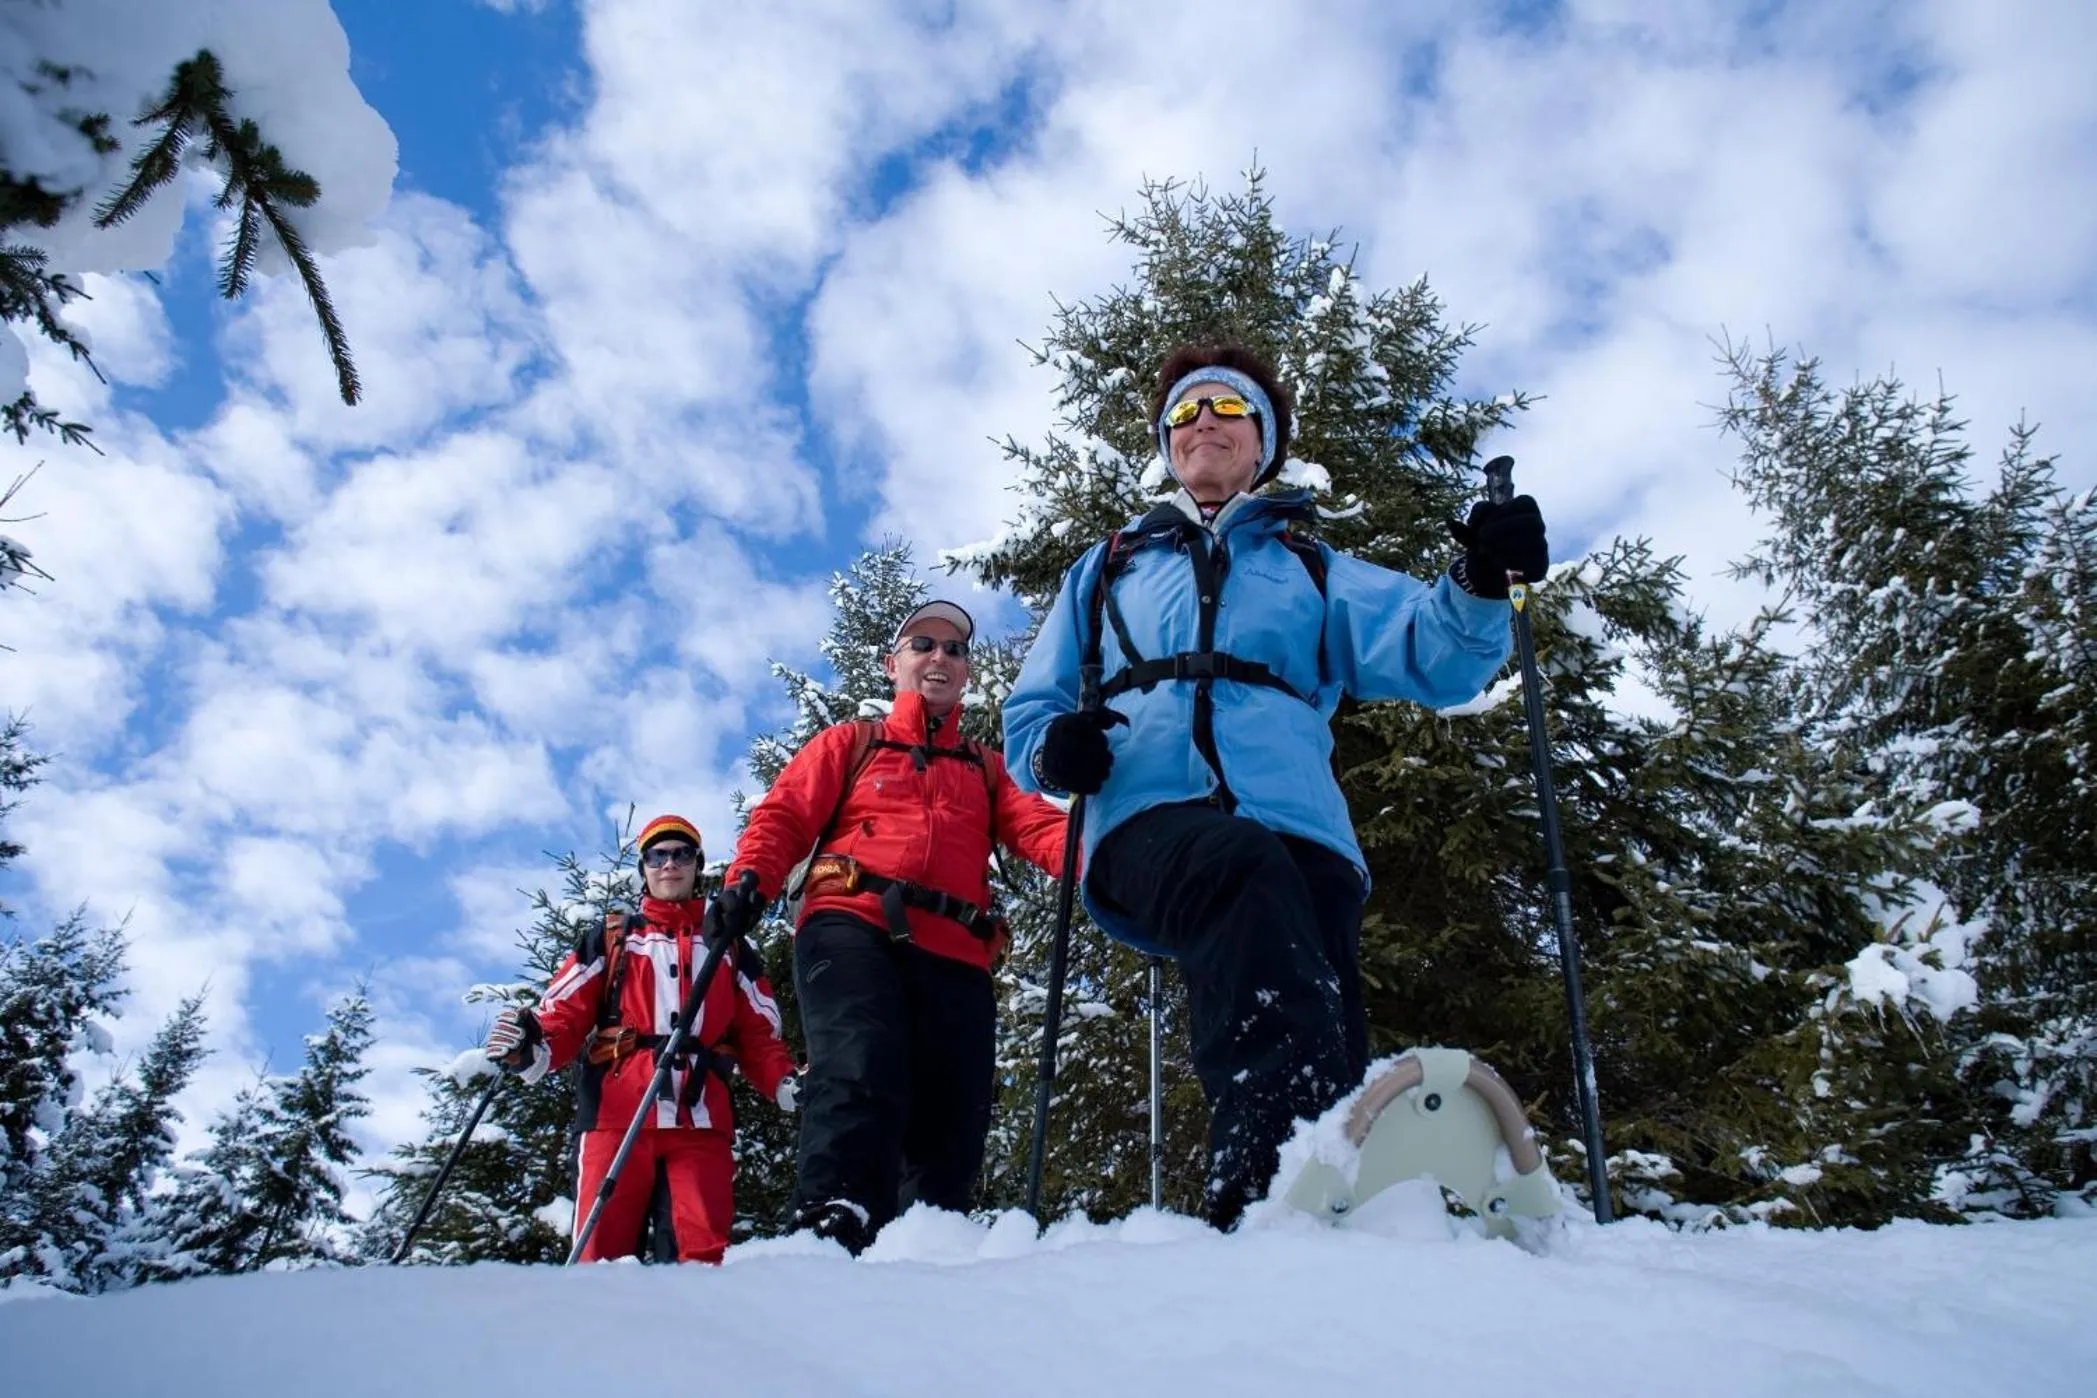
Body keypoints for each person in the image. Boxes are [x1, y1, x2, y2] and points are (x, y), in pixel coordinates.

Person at [1002, 341, 1548, 1231]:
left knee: (1325, 996)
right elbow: (1034, 711)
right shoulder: (1106, 571)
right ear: (1166, 445)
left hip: (1304, 831)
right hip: (1148, 822)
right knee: (1238, 870)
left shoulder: (1309, 568)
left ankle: (1347, 1204)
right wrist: (1054, 752)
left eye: (1225, 408)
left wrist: (1483, 583)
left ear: (1263, 443)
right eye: (1184, 413)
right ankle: (1261, 1187)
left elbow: (1430, 650)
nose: (1202, 423)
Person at [712, 600, 1069, 1254]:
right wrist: (749, 882)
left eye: (955, 649)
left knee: (954, 1108)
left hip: (958, 950)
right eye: (923, 645)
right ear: (892, 664)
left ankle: (928, 1245)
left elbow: (1040, 829)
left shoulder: (985, 768)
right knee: (860, 1058)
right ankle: (831, 1220)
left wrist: (1108, 855)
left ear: (965, 672)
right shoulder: (852, 743)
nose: (940, 658)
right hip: (851, 921)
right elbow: (786, 816)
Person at [484, 813, 798, 1263]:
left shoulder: (727, 947)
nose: (670, 863)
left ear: (697, 864)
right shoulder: (614, 939)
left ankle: (696, 1335)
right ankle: (595, 1334)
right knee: (600, 1256)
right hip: (616, 1113)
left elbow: (759, 1034)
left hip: (700, 1120)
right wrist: (530, 1044)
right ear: (644, 869)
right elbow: (564, 1014)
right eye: (657, 855)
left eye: (682, 853)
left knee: (702, 1258)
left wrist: (786, 1082)